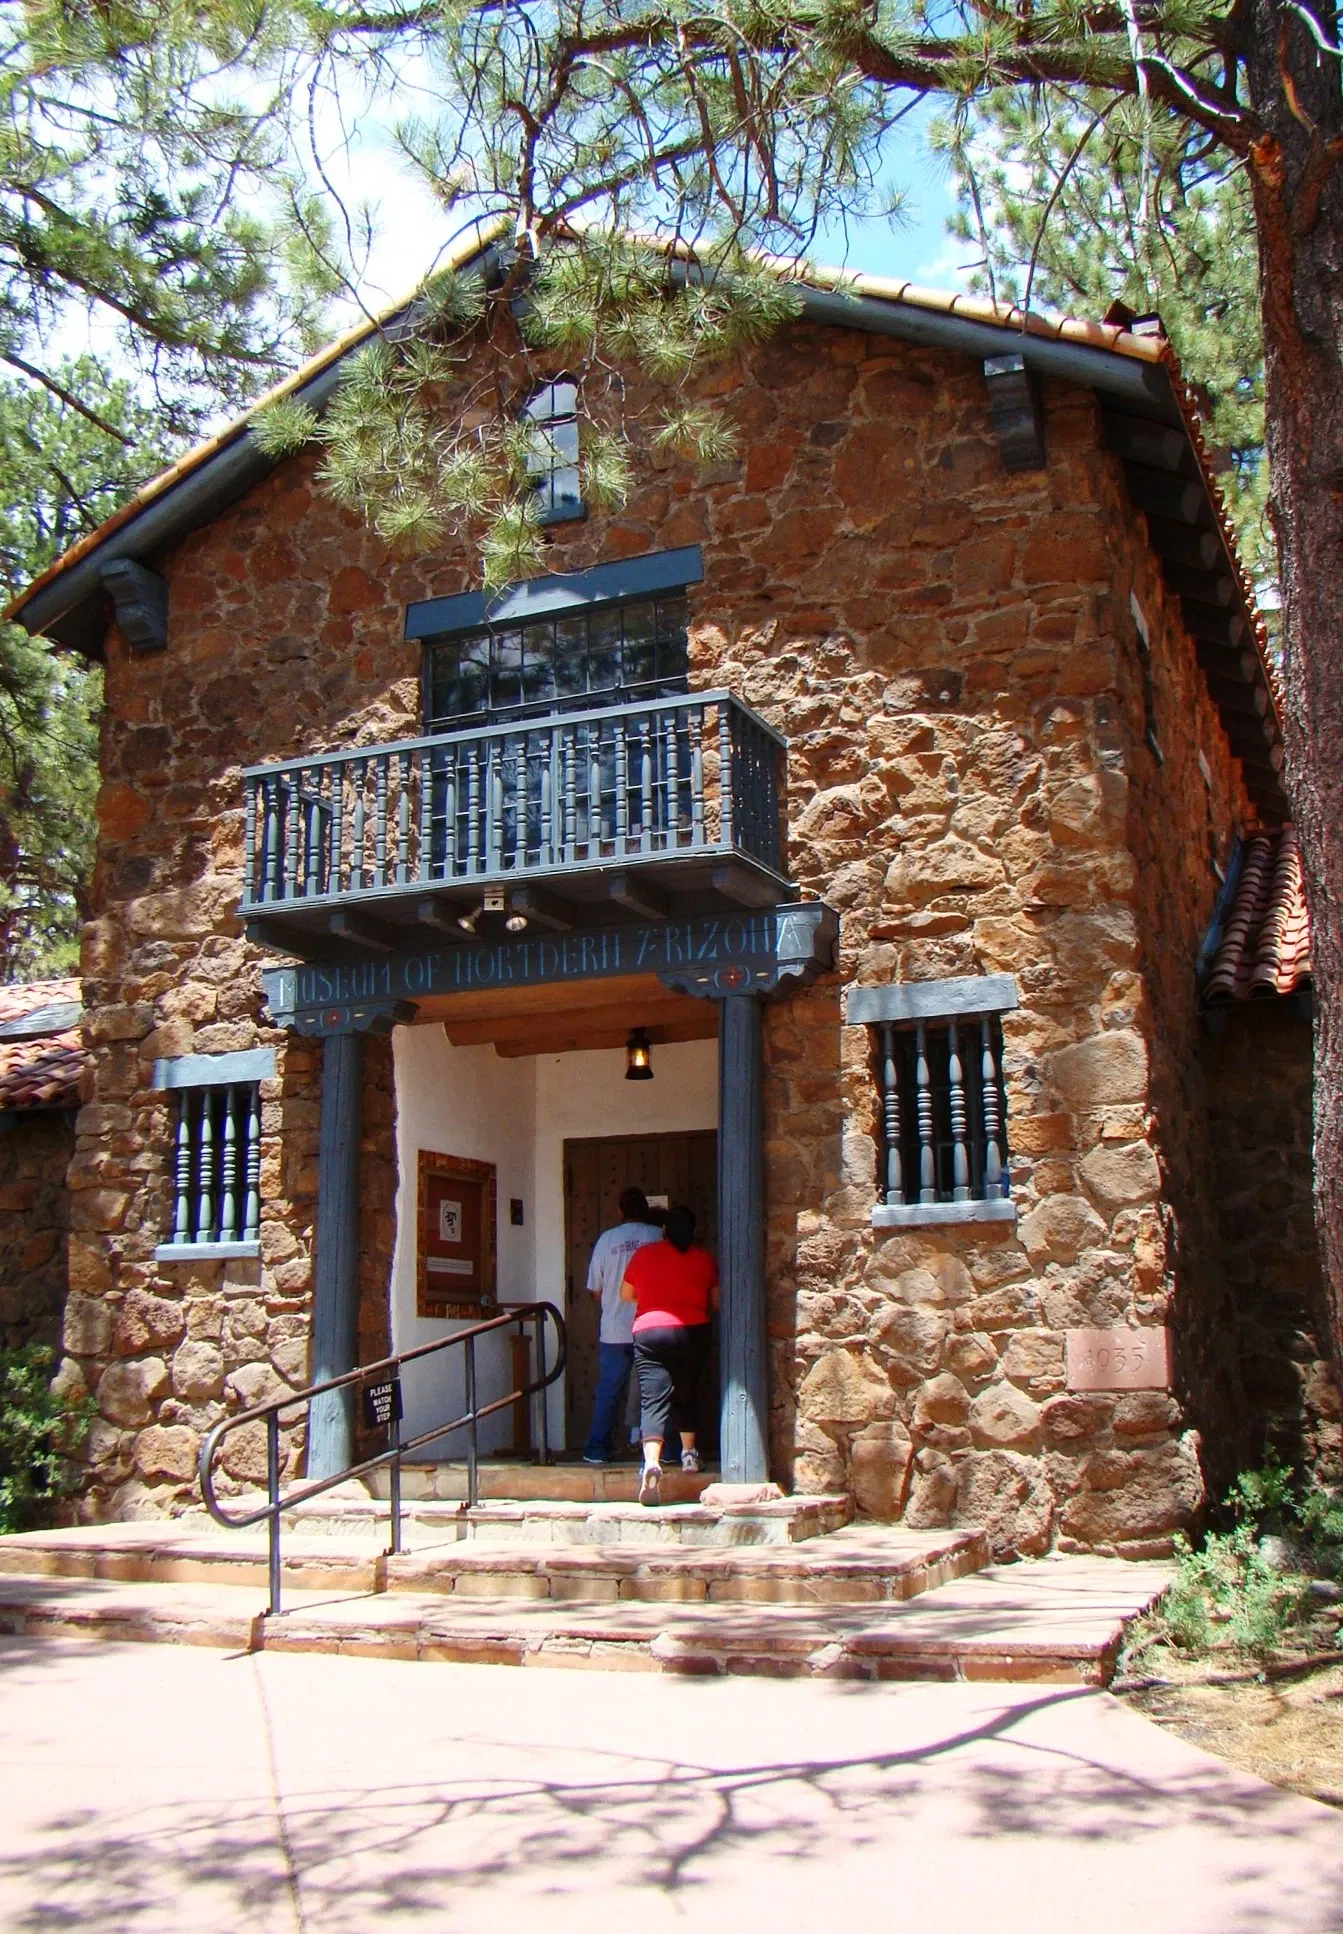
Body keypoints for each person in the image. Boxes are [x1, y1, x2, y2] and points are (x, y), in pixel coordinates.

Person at [620, 1203, 719, 1506]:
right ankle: (689, 1455)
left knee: (653, 1398)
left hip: (650, 1333)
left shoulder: (644, 1255)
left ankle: (652, 1461)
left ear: (664, 1230)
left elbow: (626, 1294)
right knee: (687, 1394)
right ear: (694, 1231)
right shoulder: (704, 1259)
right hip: (693, 1331)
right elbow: (716, 1301)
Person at [581, 1186, 662, 1465]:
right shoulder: (657, 1237)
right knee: (657, 1389)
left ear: (619, 1210)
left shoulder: (607, 1240)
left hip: (614, 1329)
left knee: (609, 1390)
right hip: (652, 1327)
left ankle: (597, 1449)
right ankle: (666, 1450)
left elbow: (596, 1288)